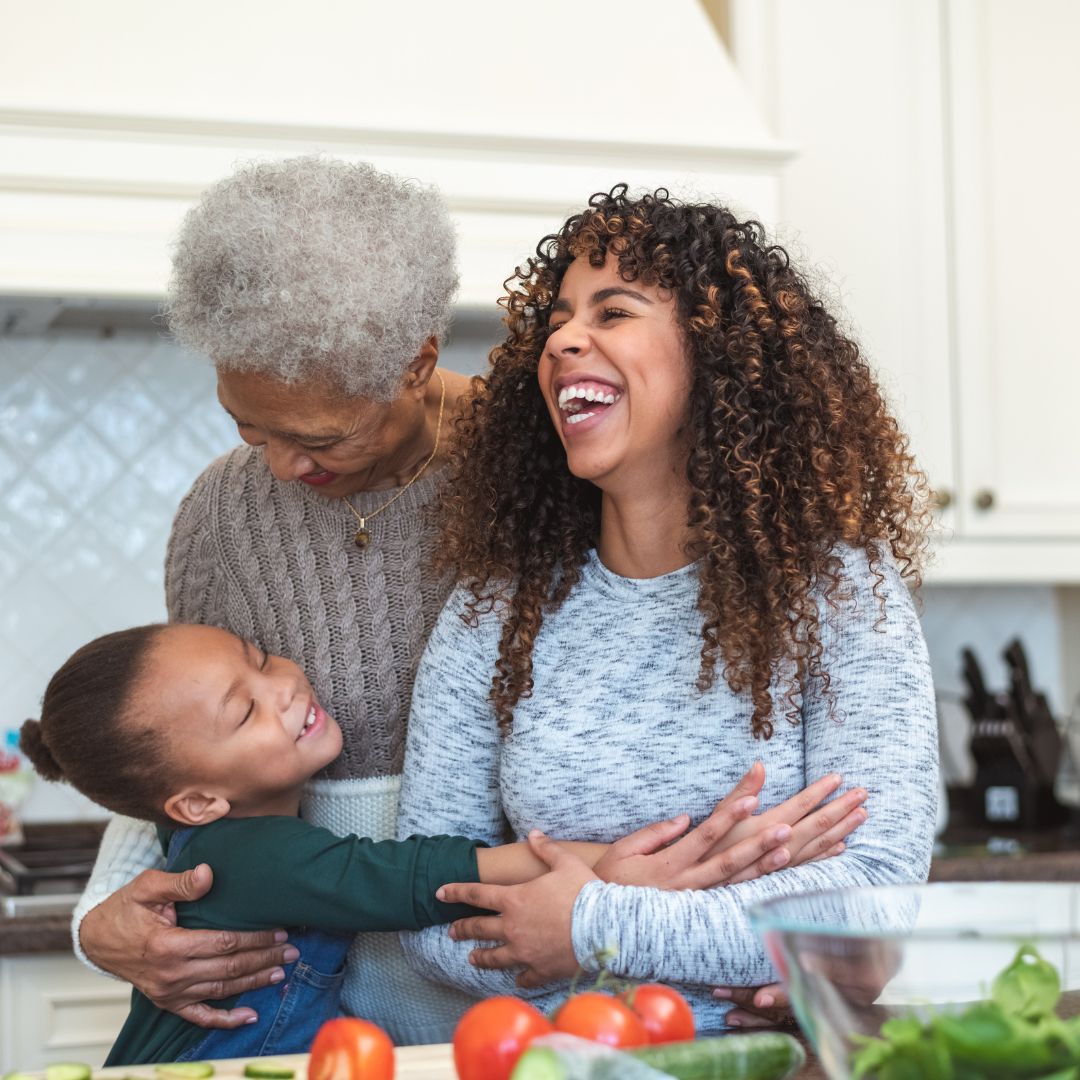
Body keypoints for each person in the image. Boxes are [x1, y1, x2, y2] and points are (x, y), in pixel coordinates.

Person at [71, 159, 863, 1043]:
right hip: (324, 1012)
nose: (283, 466)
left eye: (318, 436)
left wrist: (768, 949)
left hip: (545, 989)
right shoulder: (224, 520)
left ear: (415, 362)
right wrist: (102, 913)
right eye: (250, 428)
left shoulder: (554, 466)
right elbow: (172, 746)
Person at [396, 185, 939, 1033]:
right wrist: (734, 903)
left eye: (614, 312)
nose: (565, 339)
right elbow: (424, 910)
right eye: (559, 320)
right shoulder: (495, 608)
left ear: (716, 355)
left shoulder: (838, 595)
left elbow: (869, 905)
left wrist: (588, 919)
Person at [29, 621, 812, 1063]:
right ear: (196, 801)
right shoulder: (253, 855)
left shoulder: (214, 834)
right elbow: (427, 876)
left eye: (262, 660)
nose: (285, 688)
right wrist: (621, 870)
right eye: (245, 713)